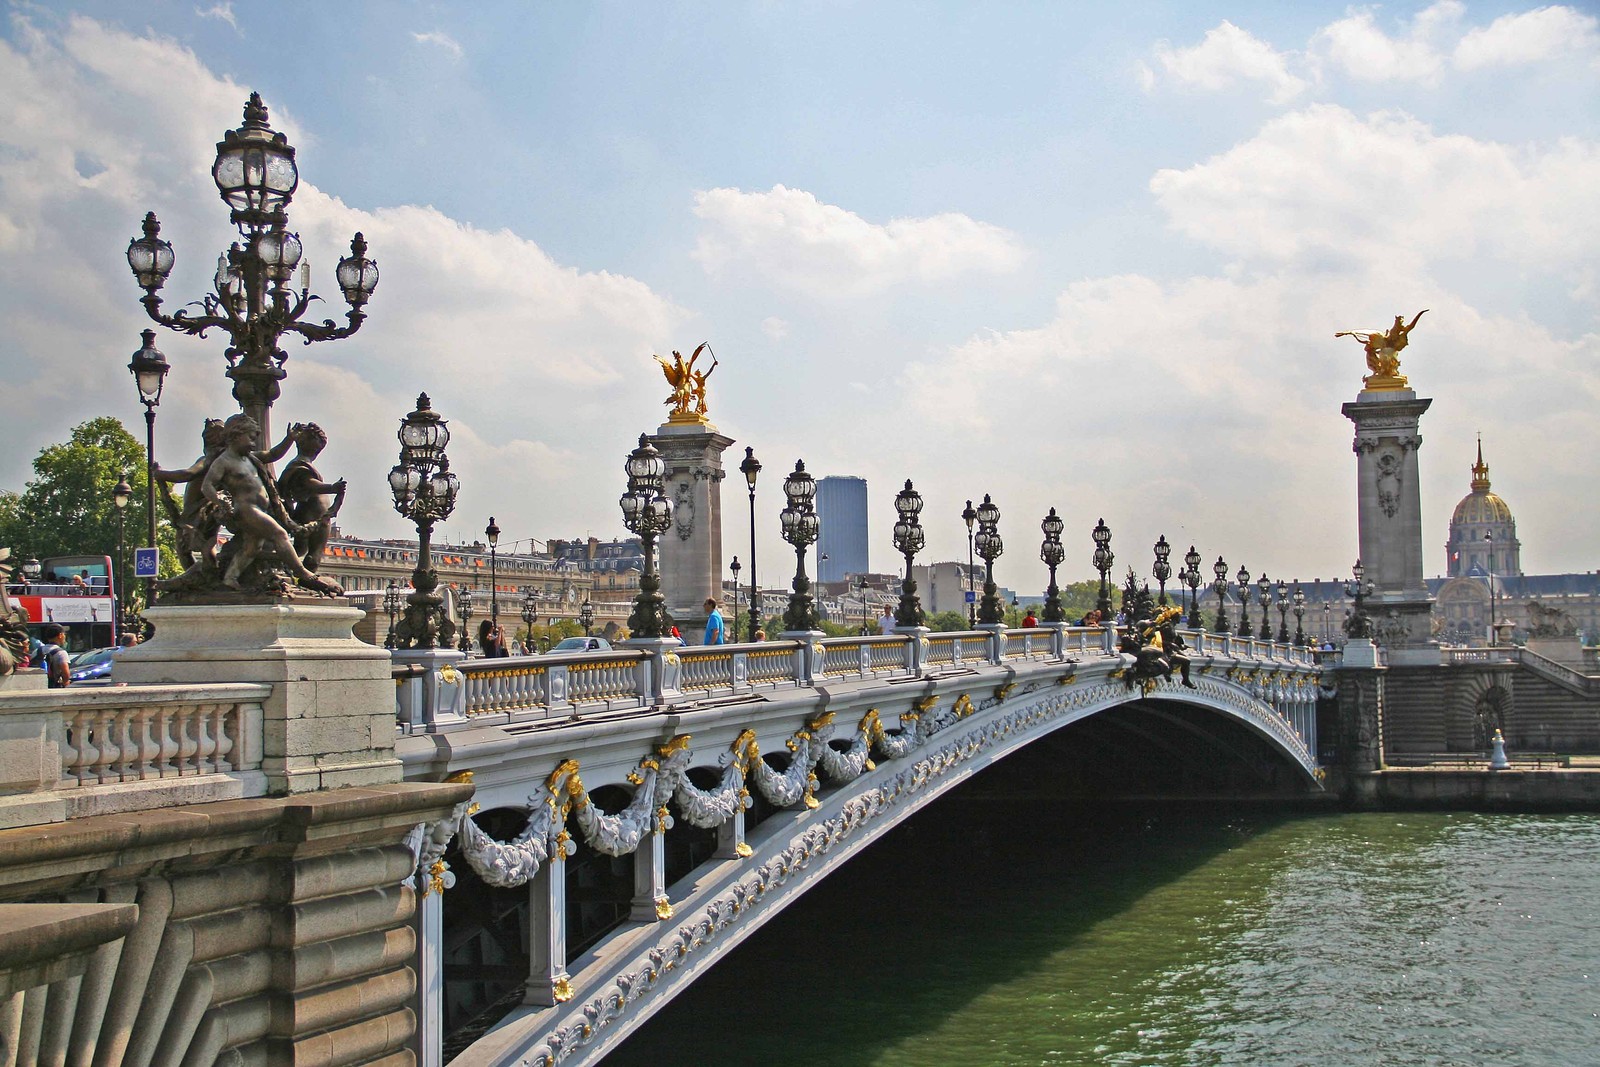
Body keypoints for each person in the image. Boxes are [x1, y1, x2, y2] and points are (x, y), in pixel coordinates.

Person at [37, 623, 70, 688]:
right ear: (60, 635)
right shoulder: (61, 653)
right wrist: (65, 683)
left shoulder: (37, 651)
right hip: (53, 687)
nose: (65, 636)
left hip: (37, 686)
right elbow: (66, 674)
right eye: (64, 634)